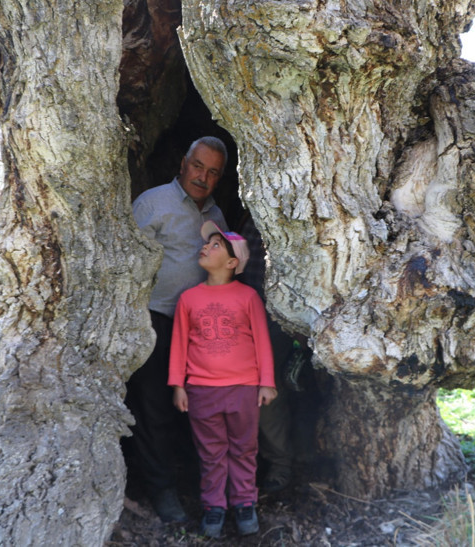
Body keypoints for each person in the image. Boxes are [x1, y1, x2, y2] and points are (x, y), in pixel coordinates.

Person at [126, 136, 229, 523]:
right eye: (198, 166)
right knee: (154, 406)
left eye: (213, 172)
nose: (203, 177)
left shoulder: (217, 217)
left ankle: (199, 484)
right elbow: (126, 262)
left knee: (198, 408)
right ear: (183, 162)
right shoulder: (153, 204)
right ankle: (162, 489)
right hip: (156, 320)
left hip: (201, 329)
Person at [169, 221, 277, 538]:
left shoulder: (248, 297)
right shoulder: (188, 299)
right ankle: (214, 507)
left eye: (216, 245)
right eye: (207, 243)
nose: (206, 247)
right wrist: (178, 384)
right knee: (211, 452)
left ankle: (245, 503)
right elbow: (179, 343)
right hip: (201, 390)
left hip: (243, 388)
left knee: (244, 449)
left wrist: (266, 381)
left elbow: (262, 341)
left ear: (232, 263)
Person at [236, 213, 296, 492]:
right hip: (243, 313)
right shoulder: (252, 219)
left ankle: (280, 463)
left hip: (277, 317)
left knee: (267, 387)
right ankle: (243, 466)